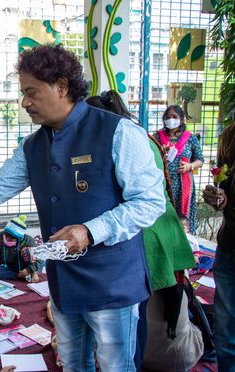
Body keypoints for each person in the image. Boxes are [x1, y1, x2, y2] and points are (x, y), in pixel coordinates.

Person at [0, 45, 165, 371]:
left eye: (31, 92)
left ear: (61, 87)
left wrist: (91, 231)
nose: (24, 102)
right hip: (64, 283)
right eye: (23, 93)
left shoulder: (118, 132)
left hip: (112, 283)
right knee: (73, 364)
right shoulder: (33, 146)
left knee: (115, 365)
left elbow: (150, 202)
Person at [87, 90, 198, 371]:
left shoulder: (122, 139)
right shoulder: (144, 136)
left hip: (144, 232)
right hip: (160, 228)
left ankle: (132, 363)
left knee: (133, 315)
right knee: (141, 311)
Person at [202, 121, 235, 371]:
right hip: (231, 246)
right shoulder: (229, 136)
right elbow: (224, 188)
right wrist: (219, 198)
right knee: (226, 331)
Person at [153, 105, 204, 234]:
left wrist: (190, 166)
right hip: (163, 184)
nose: (171, 119)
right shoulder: (157, 137)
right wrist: (161, 152)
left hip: (183, 186)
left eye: (174, 117)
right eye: (168, 117)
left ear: (181, 119)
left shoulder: (190, 138)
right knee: (164, 214)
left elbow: (200, 160)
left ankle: (185, 242)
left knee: (182, 217)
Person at [0, 215, 40, 283]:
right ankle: (19, 276)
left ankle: (32, 273)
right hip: (8, 266)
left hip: (24, 266)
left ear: (19, 238)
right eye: (6, 235)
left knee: (28, 252)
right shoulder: (0, 237)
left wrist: (29, 270)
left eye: (11, 238)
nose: (7, 239)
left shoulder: (28, 240)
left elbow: (38, 259)